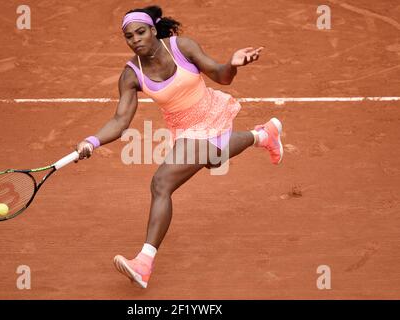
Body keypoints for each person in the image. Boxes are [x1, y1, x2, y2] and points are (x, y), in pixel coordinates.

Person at [75, 5, 283, 289]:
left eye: (140, 32)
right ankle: (264, 136)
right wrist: (92, 140)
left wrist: (233, 64)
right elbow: (121, 120)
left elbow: (221, 76)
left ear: (152, 30)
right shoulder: (131, 74)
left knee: (162, 183)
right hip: (183, 129)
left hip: (209, 110)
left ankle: (144, 263)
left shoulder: (181, 47)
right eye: (128, 36)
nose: (135, 39)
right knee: (212, 158)